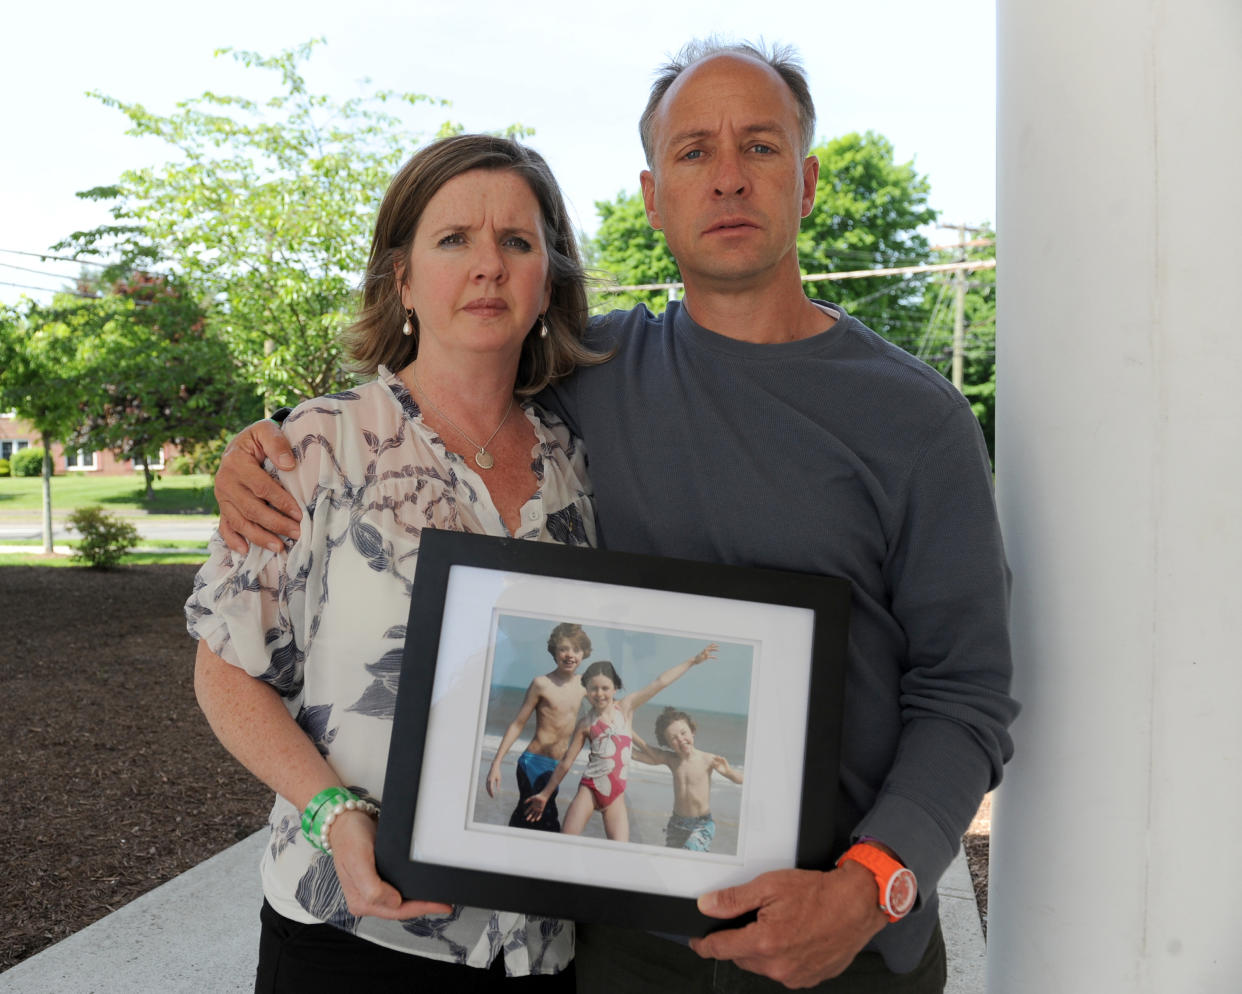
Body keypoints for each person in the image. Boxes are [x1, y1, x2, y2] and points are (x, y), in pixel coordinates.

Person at [211, 39, 1017, 994]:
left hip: (837, 947)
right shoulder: (591, 375)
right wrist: (260, 447)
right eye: (692, 153)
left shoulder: (916, 417)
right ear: (650, 196)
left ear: (804, 184)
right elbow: (448, 377)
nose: (726, 179)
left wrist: (876, 882)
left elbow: (966, 691)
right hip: (621, 951)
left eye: (759, 148)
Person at [186, 133, 613, 992]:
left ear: (548, 283)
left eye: (517, 242)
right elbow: (227, 675)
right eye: (454, 239)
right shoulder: (314, 447)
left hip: (543, 944)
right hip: (357, 933)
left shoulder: (587, 460)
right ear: (403, 280)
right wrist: (333, 812)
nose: (487, 266)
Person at [524, 645, 719, 841]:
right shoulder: (585, 724)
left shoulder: (625, 708)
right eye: (593, 688)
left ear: (615, 688)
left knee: (619, 851)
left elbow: (660, 682)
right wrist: (545, 794)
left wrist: (693, 661)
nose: (599, 693)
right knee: (565, 841)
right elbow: (566, 762)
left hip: (616, 796)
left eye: (605, 688)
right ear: (586, 689)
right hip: (589, 789)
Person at [485, 622, 591, 831]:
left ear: (584, 653)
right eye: (564, 648)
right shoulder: (541, 684)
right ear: (554, 651)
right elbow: (517, 724)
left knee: (532, 821)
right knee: (543, 820)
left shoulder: (585, 686)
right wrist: (496, 763)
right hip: (533, 763)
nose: (570, 655)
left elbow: (604, 712)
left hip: (557, 768)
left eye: (576, 649)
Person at [633, 706, 744, 852]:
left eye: (683, 733)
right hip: (676, 824)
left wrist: (728, 772)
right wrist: (625, 730)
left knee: (688, 854)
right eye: (673, 738)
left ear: (692, 732)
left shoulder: (708, 759)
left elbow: (740, 780)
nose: (680, 739)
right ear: (667, 744)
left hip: (702, 824)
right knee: (674, 861)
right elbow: (642, 753)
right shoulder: (672, 760)